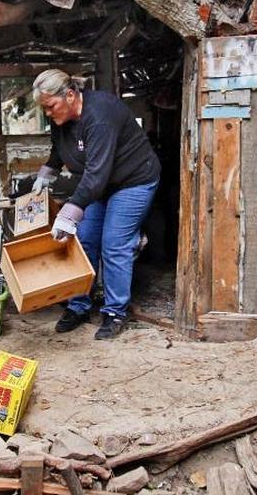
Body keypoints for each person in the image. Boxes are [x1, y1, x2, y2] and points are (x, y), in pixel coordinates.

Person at [30, 69, 160, 340]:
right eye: (45, 109)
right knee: (84, 240)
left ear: (69, 95)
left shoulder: (100, 116)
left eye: (51, 106)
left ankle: (115, 312)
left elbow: (96, 175)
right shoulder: (61, 116)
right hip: (100, 183)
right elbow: (60, 147)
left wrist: (70, 211)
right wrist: (47, 172)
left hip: (132, 181)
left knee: (114, 243)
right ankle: (79, 306)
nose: (49, 113)